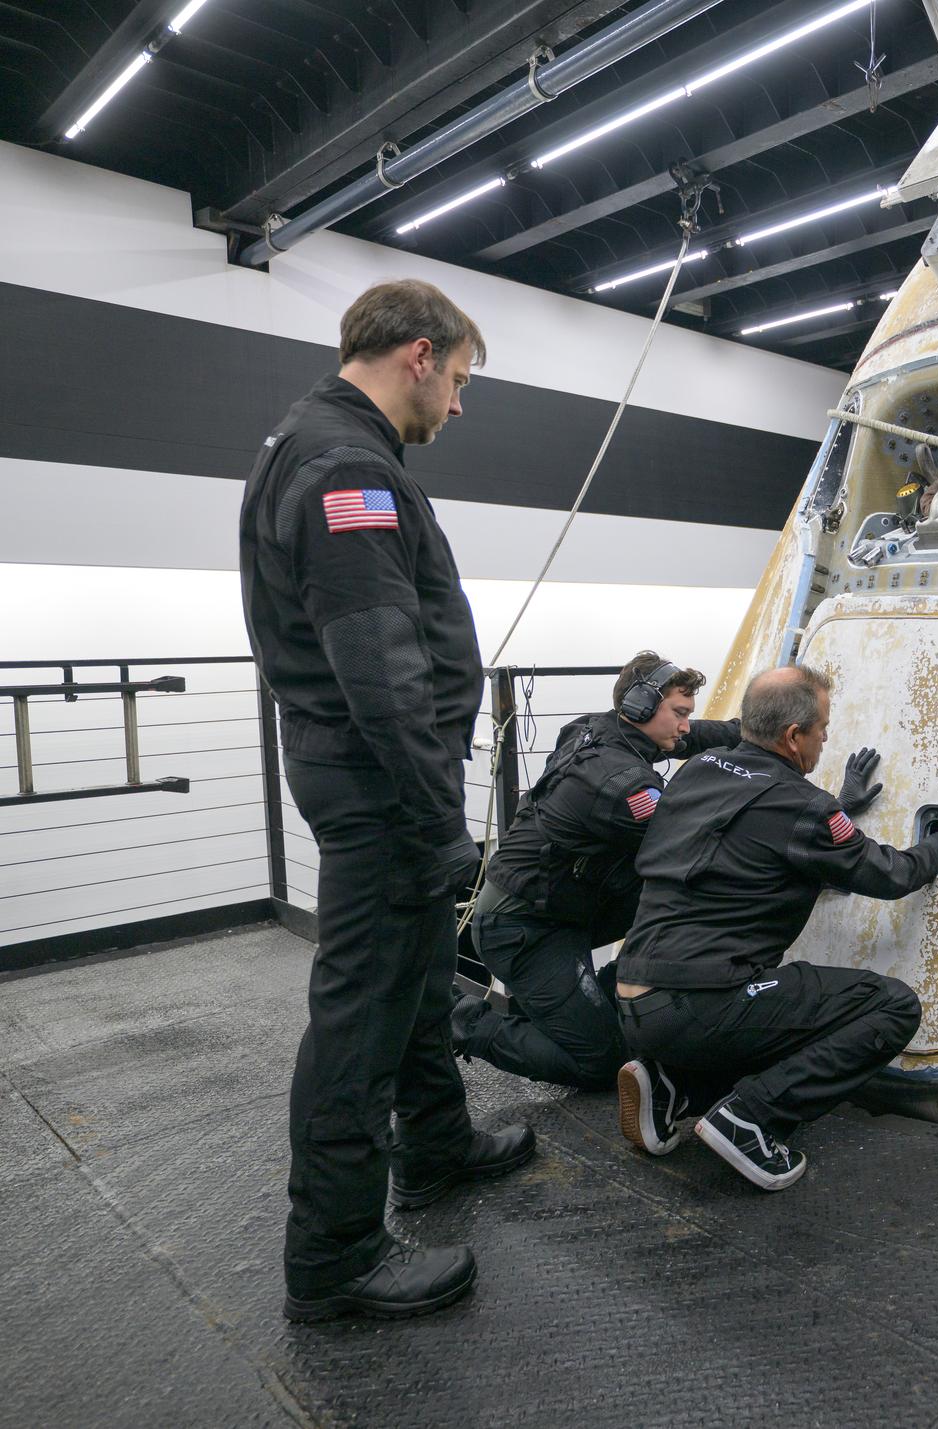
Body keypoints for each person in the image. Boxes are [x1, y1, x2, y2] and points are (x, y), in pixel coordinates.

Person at [240, 279, 534, 1323]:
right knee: (359, 1017)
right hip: (378, 784)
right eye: (457, 380)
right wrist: (439, 820)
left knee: (410, 979)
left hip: (367, 776)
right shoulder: (346, 467)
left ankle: (438, 1146)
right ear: (418, 355)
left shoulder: (323, 444)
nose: (457, 405)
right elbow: (378, 668)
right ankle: (332, 1258)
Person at [611, 664, 938, 1191]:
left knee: (771, 1002)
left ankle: (671, 1086)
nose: (826, 736)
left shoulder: (699, 767)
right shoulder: (804, 808)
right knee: (890, 1006)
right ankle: (752, 1118)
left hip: (634, 997)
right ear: (794, 736)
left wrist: (837, 806)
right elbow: (893, 875)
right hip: (698, 1002)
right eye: (822, 727)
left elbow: (749, 838)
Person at [453, 653, 739, 1090]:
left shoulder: (603, 728)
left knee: (661, 895)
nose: (685, 726)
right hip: (523, 929)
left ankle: (592, 1000)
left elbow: (692, 737)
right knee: (600, 1063)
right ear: (642, 707)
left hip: (557, 905)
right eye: (679, 713)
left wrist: (754, 732)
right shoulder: (623, 784)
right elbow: (700, 839)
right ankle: (459, 1020)